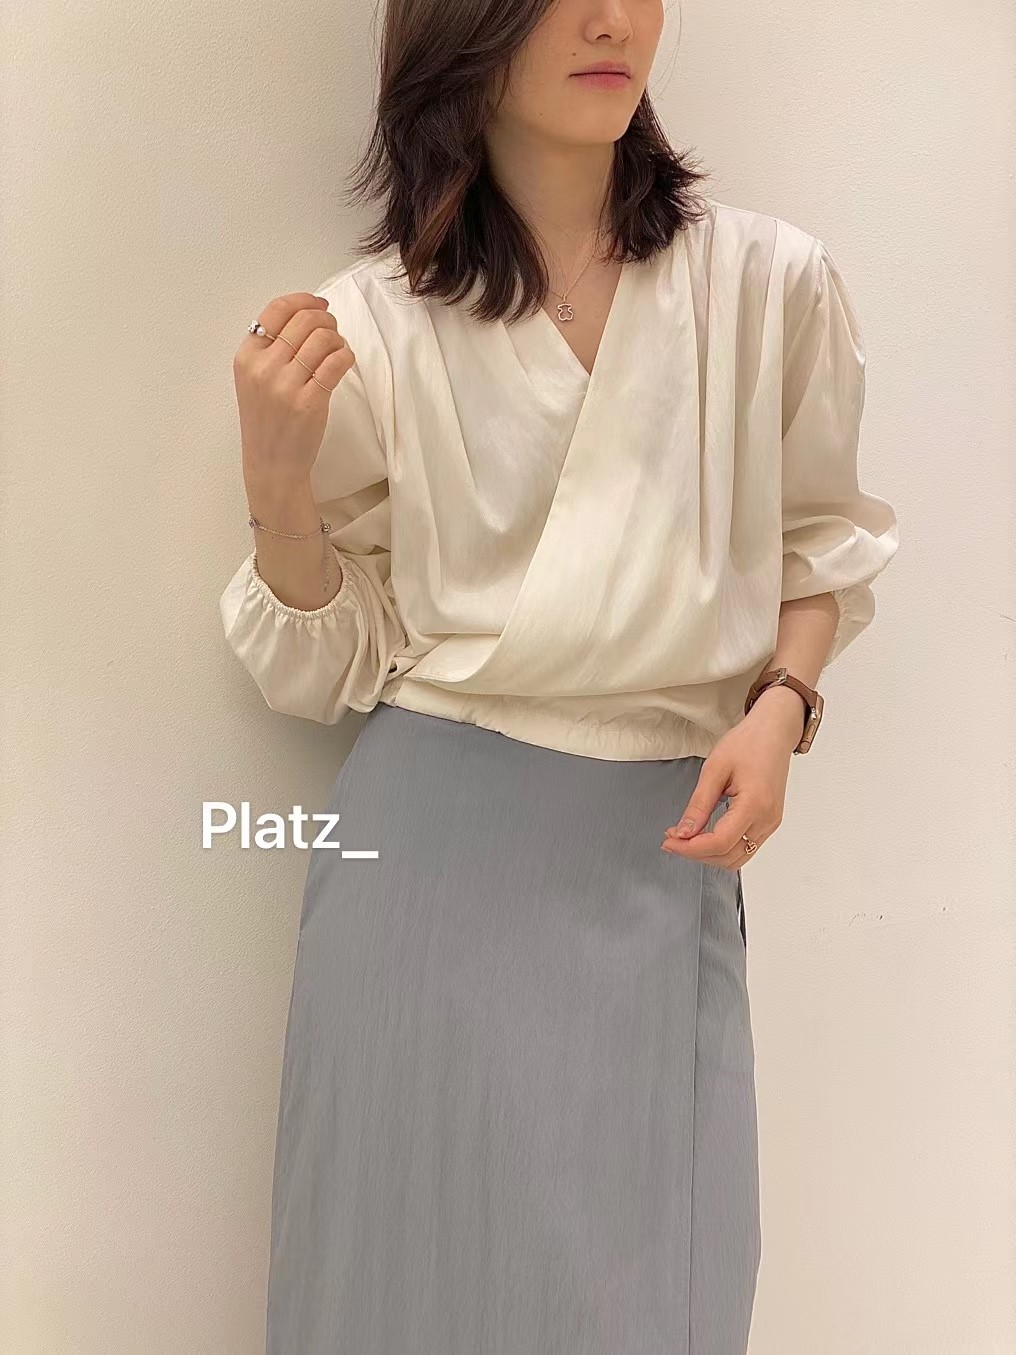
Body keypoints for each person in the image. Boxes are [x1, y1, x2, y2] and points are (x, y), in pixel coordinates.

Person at [219, 1, 900, 1350]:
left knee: (653, 1291)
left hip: (660, 841)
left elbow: (820, 546)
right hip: (421, 865)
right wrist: (278, 492)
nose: (609, 19)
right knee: (400, 1287)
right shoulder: (376, 323)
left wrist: (782, 708)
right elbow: (318, 670)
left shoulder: (768, 284)